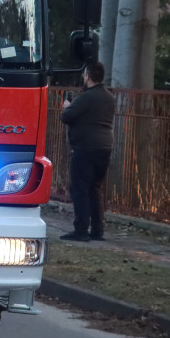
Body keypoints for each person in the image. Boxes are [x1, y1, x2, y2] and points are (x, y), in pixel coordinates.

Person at [59, 60, 115, 242]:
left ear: (89, 77)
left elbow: (66, 117)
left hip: (85, 147)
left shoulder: (85, 98)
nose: (83, 77)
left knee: (80, 188)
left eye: (84, 75)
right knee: (95, 189)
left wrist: (67, 107)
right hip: (104, 147)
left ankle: (81, 229)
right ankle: (98, 230)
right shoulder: (109, 97)